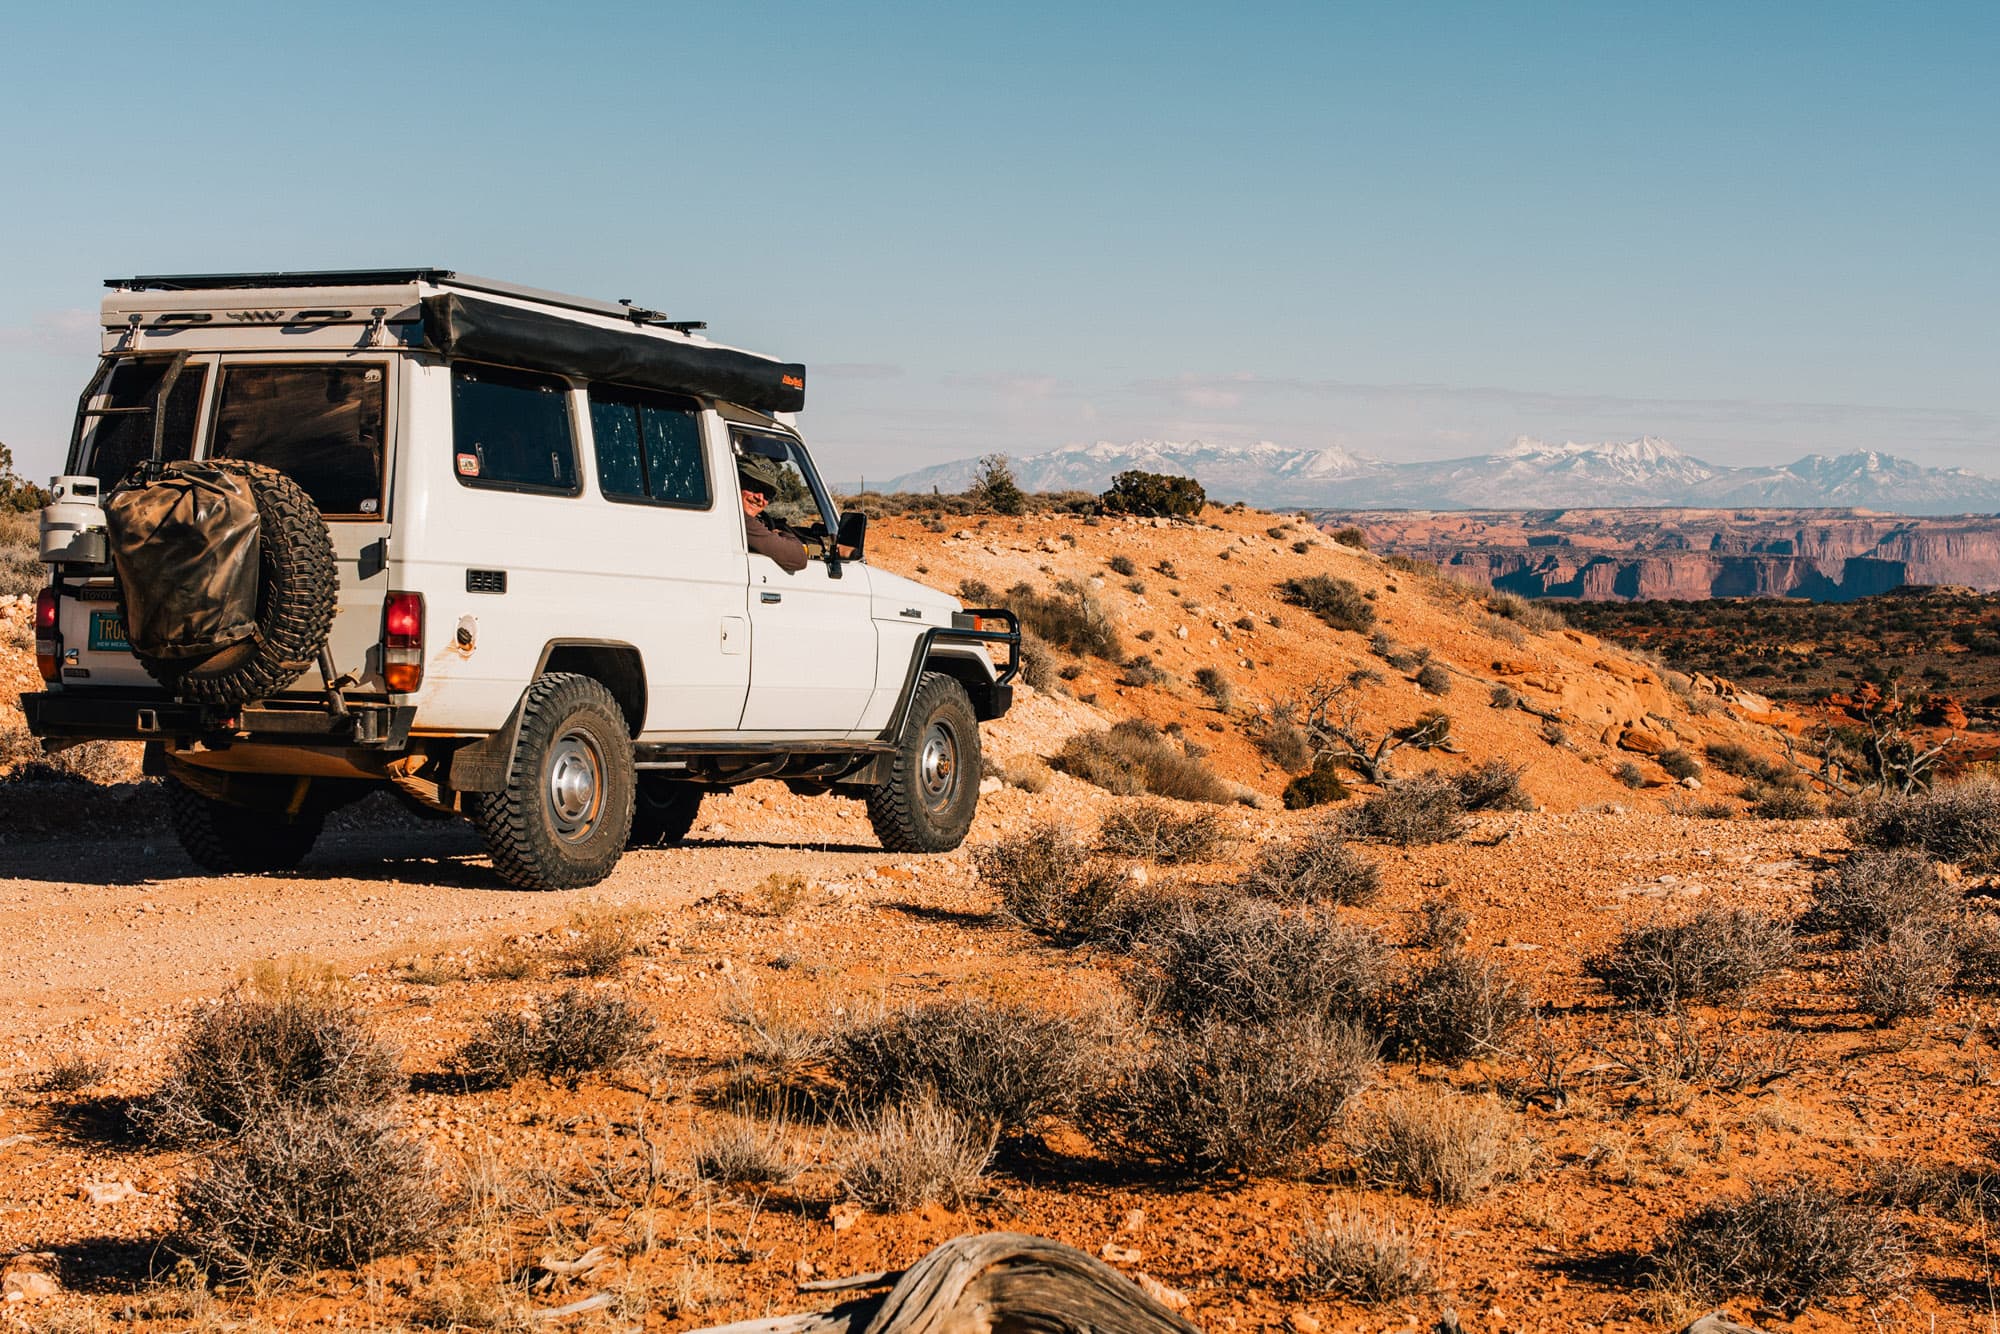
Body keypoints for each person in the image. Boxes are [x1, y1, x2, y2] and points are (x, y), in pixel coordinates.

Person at [738, 454, 809, 573]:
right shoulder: (741, 520)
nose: (760, 498)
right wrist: (783, 534)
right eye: (754, 486)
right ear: (737, 481)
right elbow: (798, 558)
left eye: (768, 493)